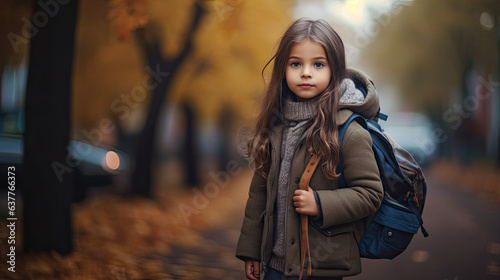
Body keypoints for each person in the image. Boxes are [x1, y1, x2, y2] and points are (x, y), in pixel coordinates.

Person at [235, 18, 384, 280]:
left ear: (335, 70)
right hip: (274, 265)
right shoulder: (276, 126)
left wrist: (320, 203)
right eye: (296, 64)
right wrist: (251, 251)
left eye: (318, 64)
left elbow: (370, 194)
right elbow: (259, 193)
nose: (306, 72)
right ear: (283, 69)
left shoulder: (348, 131)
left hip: (319, 267)